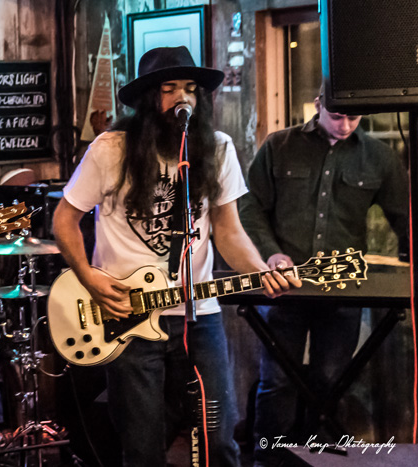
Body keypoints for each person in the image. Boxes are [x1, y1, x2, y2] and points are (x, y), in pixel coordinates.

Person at [51, 46, 300, 466]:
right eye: (169, 89)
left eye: (190, 89)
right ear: (150, 98)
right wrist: (90, 277)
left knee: (219, 440)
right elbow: (64, 220)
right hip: (125, 319)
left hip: (200, 315)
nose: (182, 98)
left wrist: (261, 272)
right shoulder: (111, 149)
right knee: (143, 447)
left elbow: (228, 229)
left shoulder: (217, 149)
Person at [239, 84, 408, 466]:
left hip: (343, 289)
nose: (346, 124)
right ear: (317, 105)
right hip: (285, 286)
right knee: (277, 382)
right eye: (337, 115)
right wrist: (270, 253)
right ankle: (269, 459)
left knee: (331, 380)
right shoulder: (278, 146)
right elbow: (249, 208)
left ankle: (316, 458)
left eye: (354, 117)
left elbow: (405, 218)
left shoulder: (379, 157)